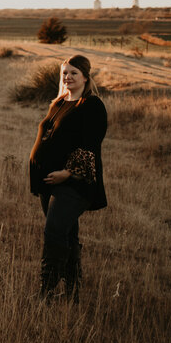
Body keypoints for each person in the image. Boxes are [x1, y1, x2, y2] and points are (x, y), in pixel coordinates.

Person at [28, 54, 108, 302]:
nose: (68, 77)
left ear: (85, 76)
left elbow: (91, 145)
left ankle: (47, 292)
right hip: (48, 182)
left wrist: (67, 173)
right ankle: (72, 290)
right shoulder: (60, 102)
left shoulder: (92, 106)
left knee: (54, 231)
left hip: (74, 183)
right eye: (64, 73)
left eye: (74, 72)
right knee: (66, 234)